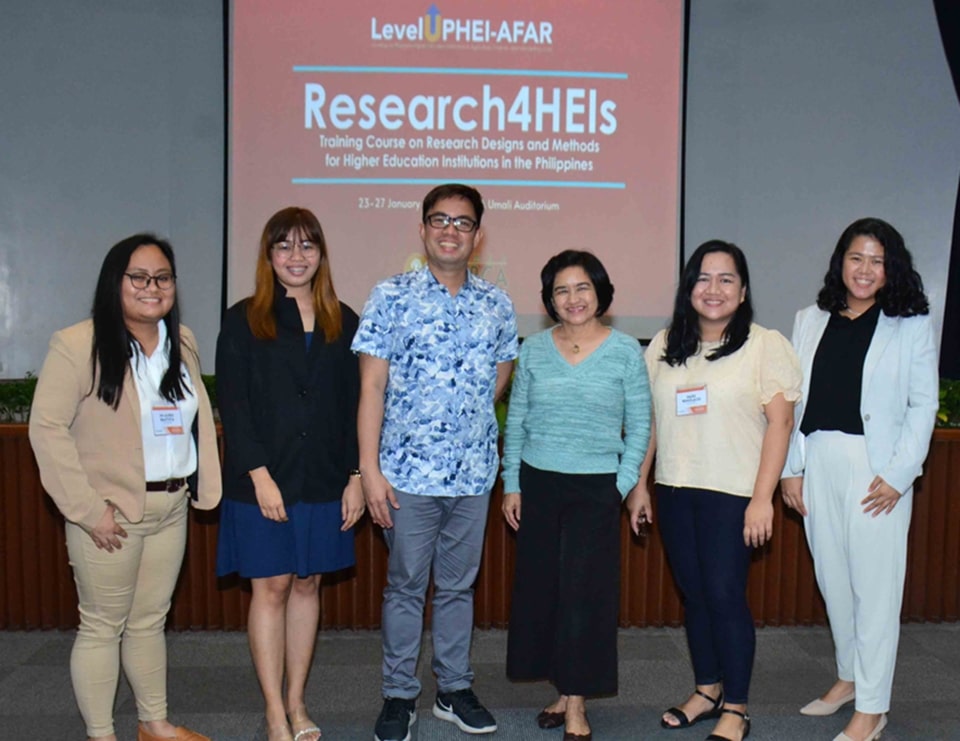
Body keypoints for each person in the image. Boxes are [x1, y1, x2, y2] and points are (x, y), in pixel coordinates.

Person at [28, 234, 221, 741]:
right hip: (110, 515)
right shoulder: (76, 344)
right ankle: (101, 735)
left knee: (148, 623)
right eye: (139, 277)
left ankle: (153, 724)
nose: (152, 287)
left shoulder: (184, 343)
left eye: (163, 277)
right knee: (102, 626)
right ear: (115, 282)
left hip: (171, 506)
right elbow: (46, 429)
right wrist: (88, 511)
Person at [352, 183, 518, 741]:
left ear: (477, 234)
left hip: (472, 475)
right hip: (405, 476)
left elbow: (500, 375)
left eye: (463, 222)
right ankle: (399, 696)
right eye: (440, 220)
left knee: (457, 588)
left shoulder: (495, 302)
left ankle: (453, 688)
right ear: (423, 229)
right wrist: (370, 471)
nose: (451, 230)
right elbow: (371, 387)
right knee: (404, 587)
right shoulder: (390, 296)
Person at [626, 240, 801, 741]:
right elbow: (652, 421)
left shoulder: (764, 345)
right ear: (689, 288)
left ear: (743, 291)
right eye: (703, 278)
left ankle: (737, 706)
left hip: (734, 493)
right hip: (676, 489)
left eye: (727, 279)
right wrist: (639, 484)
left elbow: (780, 423)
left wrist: (762, 498)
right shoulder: (663, 344)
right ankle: (706, 690)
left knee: (725, 596)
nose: (714, 289)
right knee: (696, 596)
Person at [780, 218, 938, 741]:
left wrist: (898, 475)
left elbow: (923, 407)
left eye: (877, 260)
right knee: (835, 582)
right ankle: (849, 677)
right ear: (840, 261)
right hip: (817, 460)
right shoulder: (809, 319)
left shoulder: (910, 323)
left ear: (891, 269)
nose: (865, 270)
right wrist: (791, 468)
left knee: (876, 589)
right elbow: (791, 400)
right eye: (856, 258)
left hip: (877, 470)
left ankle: (873, 707)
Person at [216, 207, 363, 741]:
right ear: (268, 255)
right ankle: (274, 711)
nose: (296, 257)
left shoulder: (343, 319)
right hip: (262, 479)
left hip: (324, 477)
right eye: (285, 246)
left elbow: (356, 405)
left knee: (307, 583)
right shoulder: (242, 317)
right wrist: (258, 474)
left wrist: (355, 476)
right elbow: (233, 404)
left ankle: (298, 703)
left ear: (321, 254)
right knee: (272, 586)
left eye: (307, 246)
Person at [501, 250, 651, 740]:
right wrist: (512, 484)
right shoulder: (535, 349)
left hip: (597, 488)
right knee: (546, 594)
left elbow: (643, 426)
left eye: (582, 287)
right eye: (561, 290)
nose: (573, 298)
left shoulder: (626, 350)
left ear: (600, 292)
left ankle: (578, 704)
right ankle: (564, 688)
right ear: (549, 299)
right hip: (539, 483)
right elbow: (518, 421)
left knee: (586, 597)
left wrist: (621, 487)